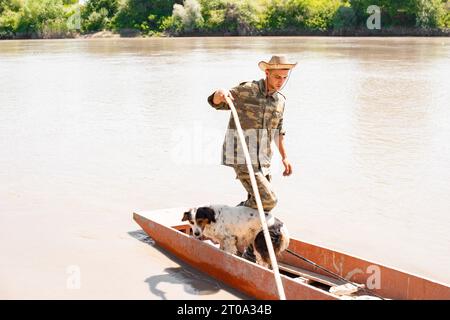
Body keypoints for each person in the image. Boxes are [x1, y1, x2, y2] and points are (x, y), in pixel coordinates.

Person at [207, 55, 297, 214]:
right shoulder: (248, 90)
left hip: (263, 160)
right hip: (241, 156)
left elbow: (278, 132)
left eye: (284, 78)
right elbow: (216, 102)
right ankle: (228, 218)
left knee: (261, 208)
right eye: (277, 77)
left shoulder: (280, 101)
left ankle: (246, 234)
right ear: (267, 73)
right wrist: (219, 94)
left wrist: (285, 157)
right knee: (268, 200)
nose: (280, 82)